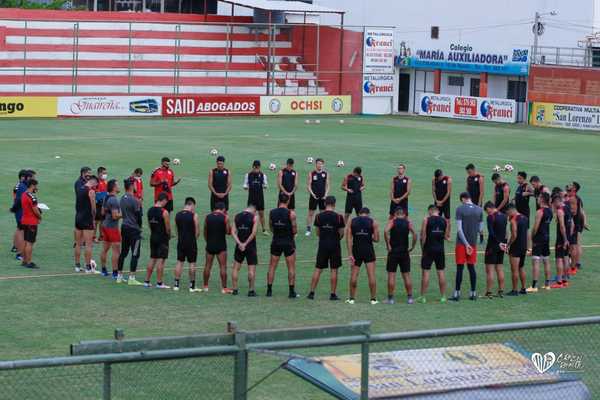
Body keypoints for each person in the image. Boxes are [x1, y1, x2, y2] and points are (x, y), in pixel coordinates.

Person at [307, 196, 345, 300]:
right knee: (334, 269)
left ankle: (311, 293)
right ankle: (332, 294)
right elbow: (342, 233)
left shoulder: (319, 216)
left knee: (318, 269)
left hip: (323, 245)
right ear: (334, 204)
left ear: (325, 204)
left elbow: (317, 232)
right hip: (335, 245)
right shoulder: (339, 217)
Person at [451, 192, 484, 301]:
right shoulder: (479, 210)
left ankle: (457, 294)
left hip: (461, 244)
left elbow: (459, 230)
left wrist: (466, 244)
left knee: (460, 268)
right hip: (473, 244)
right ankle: (473, 293)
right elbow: (480, 229)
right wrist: (472, 243)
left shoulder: (460, 209)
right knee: (471, 268)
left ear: (463, 199)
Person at [267, 193, 298, 298]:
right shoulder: (291, 213)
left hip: (276, 241)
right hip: (288, 242)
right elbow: (294, 230)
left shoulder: (272, 212)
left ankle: (269, 291)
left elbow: (271, 227)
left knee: (272, 267)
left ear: (279, 200)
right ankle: (291, 292)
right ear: (288, 201)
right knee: (291, 267)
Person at [346, 207, 380, 305]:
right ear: (368, 214)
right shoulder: (373, 222)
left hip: (356, 250)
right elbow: (377, 239)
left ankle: (352, 299)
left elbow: (348, 238)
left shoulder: (352, 221)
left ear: (359, 213)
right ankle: (373, 299)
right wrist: (369, 236)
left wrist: (350, 254)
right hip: (368, 250)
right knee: (371, 275)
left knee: (354, 275)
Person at [384, 206, 417, 304]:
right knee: (406, 275)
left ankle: (390, 299)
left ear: (395, 214)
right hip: (404, 252)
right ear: (404, 214)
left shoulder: (392, 222)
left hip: (393, 252)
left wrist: (388, 245)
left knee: (391, 275)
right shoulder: (408, 223)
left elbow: (385, 231)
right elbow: (415, 234)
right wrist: (412, 246)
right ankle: (410, 298)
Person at [418, 205, 449, 304]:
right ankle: (443, 296)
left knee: (426, 273)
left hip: (429, 249)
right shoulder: (445, 221)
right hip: (440, 250)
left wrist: (423, 249)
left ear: (430, 211)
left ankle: (423, 297)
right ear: (438, 211)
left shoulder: (426, 220)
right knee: (441, 272)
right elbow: (446, 236)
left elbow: (423, 236)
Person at [117, 178, 143, 285]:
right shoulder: (135, 200)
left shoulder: (122, 198)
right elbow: (138, 216)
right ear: (131, 186)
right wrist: (140, 227)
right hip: (134, 230)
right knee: (135, 253)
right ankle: (131, 278)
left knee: (123, 252)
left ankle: (119, 276)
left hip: (124, 227)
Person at [203, 202, 231, 293]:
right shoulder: (225, 217)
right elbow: (228, 232)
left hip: (210, 244)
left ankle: (206, 286)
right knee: (223, 267)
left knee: (207, 266)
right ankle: (224, 288)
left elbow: (205, 230)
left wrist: (208, 241)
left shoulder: (207, 217)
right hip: (221, 245)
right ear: (223, 209)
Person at [173, 197, 201, 292]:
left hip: (181, 242)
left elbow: (176, 230)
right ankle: (192, 286)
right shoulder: (194, 215)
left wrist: (180, 238)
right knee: (192, 263)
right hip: (191, 242)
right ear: (191, 205)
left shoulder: (178, 215)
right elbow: (197, 231)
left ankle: (176, 285)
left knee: (179, 262)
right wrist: (193, 239)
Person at [144, 193, 171, 289]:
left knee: (152, 258)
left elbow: (149, 224)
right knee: (161, 260)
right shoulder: (164, 212)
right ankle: (159, 283)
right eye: (166, 202)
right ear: (163, 200)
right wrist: (169, 235)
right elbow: (167, 228)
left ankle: (146, 281)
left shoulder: (150, 210)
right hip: (162, 238)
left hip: (153, 236)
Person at [231, 205, 259, 296]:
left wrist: (240, 243)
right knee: (251, 269)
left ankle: (235, 289)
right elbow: (253, 233)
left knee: (235, 268)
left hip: (239, 247)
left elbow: (233, 232)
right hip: (250, 246)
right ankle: (251, 291)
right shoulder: (254, 217)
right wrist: (245, 244)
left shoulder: (237, 216)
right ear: (254, 210)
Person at [528, 192, 553, 292]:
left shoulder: (540, 211)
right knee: (546, 261)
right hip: (546, 237)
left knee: (536, 261)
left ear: (542, 199)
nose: (537, 199)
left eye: (538, 198)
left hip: (538, 239)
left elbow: (536, 226)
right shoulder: (550, 211)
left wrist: (532, 236)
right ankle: (547, 284)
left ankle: (534, 286)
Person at [74, 174, 98, 273]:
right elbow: (93, 208)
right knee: (88, 244)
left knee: (78, 244)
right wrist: (94, 218)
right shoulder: (91, 191)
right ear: (93, 182)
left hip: (78, 218)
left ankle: (77, 266)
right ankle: (88, 267)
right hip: (87, 219)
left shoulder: (79, 188)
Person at [483, 202, 507, 298]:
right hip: (502, 246)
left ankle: (489, 292)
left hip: (493, 245)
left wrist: (498, 243)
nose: (487, 213)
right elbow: (505, 232)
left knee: (490, 270)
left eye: (487, 211)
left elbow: (491, 233)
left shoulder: (490, 217)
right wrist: (504, 243)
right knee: (500, 268)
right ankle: (501, 291)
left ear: (489, 208)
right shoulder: (504, 216)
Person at [100, 179, 122, 281]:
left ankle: (103, 270)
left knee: (105, 249)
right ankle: (115, 273)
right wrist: (125, 214)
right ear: (113, 187)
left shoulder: (106, 197)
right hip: (112, 228)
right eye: (117, 185)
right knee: (116, 251)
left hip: (105, 226)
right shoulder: (114, 200)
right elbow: (114, 216)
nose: (119, 187)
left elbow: (103, 212)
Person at [11, 169, 35, 261]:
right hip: (22, 213)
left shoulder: (22, 185)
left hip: (19, 211)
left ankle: (16, 247)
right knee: (23, 232)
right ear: (27, 177)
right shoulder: (23, 187)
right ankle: (20, 254)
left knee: (19, 230)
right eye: (32, 178)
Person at [505, 204, 529, 296]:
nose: (507, 215)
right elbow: (527, 233)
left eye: (507, 213)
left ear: (510, 210)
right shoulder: (525, 218)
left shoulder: (513, 220)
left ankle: (514, 290)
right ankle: (523, 288)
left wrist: (508, 244)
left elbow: (514, 235)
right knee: (521, 268)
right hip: (523, 246)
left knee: (514, 269)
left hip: (516, 247)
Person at [20, 179, 41, 269]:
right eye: (36, 186)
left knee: (25, 241)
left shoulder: (24, 194)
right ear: (32, 185)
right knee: (30, 243)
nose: (36, 188)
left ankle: (24, 261)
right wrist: (40, 216)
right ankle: (29, 262)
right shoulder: (32, 197)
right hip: (31, 222)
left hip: (24, 220)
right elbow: (35, 210)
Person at [305, 158, 330, 236]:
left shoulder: (326, 174)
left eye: (321, 164)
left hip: (323, 197)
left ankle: (322, 228)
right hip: (314, 196)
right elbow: (308, 186)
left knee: (322, 213)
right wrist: (312, 194)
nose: (319, 165)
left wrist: (326, 195)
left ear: (323, 164)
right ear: (315, 164)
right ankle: (308, 229)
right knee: (311, 213)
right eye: (318, 163)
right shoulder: (311, 173)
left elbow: (328, 185)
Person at [567, 182, 588, 273]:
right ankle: (575, 264)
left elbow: (574, 212)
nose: (569, 185)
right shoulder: (577, 198)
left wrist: (563, 210)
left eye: (571, 185)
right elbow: (581, 211)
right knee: (575, 244)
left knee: (574, 245)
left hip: (574, 223)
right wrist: (585, 223)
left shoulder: (572, 199)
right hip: (577, 222)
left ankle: (574, 266)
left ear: (574, 189)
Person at [243, 160, 268, 234]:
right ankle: (250, 229)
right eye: (255, 167)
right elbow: (245, 185)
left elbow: (266, 185)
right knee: (250, 214)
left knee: (261, 214)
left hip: (260, 197)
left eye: (257, 167)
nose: (256, 168)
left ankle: (264, 230)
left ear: (259, 167)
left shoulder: (263, 175)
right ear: (253, 167)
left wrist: (264, 185)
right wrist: (246, 187)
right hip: (251, 197)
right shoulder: (248, 175)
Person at [94, 167, 108, 242]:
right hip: (97, 204)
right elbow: (96, 193)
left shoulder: (105, 182)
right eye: (103, 173)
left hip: (104, 204)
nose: (105, 175)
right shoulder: (96, 182)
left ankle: (101, 236)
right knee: (96, 221)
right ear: (99, 173)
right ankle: (93, 236)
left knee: (102, 221)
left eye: (106, 173)